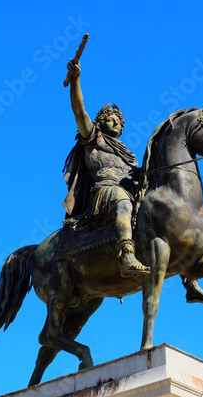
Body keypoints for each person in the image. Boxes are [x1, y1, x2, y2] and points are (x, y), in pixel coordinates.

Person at [63, 60, 150, 278]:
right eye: (111, 120)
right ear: (100, 122)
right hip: (104, 191)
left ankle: (188, 274)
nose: (117, 124)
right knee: (122, 200)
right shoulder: (92, 138)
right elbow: (79, 111)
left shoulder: (128, 154)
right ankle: (127, 254)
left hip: (129, 190)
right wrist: (75, 80)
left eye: (120, 123)